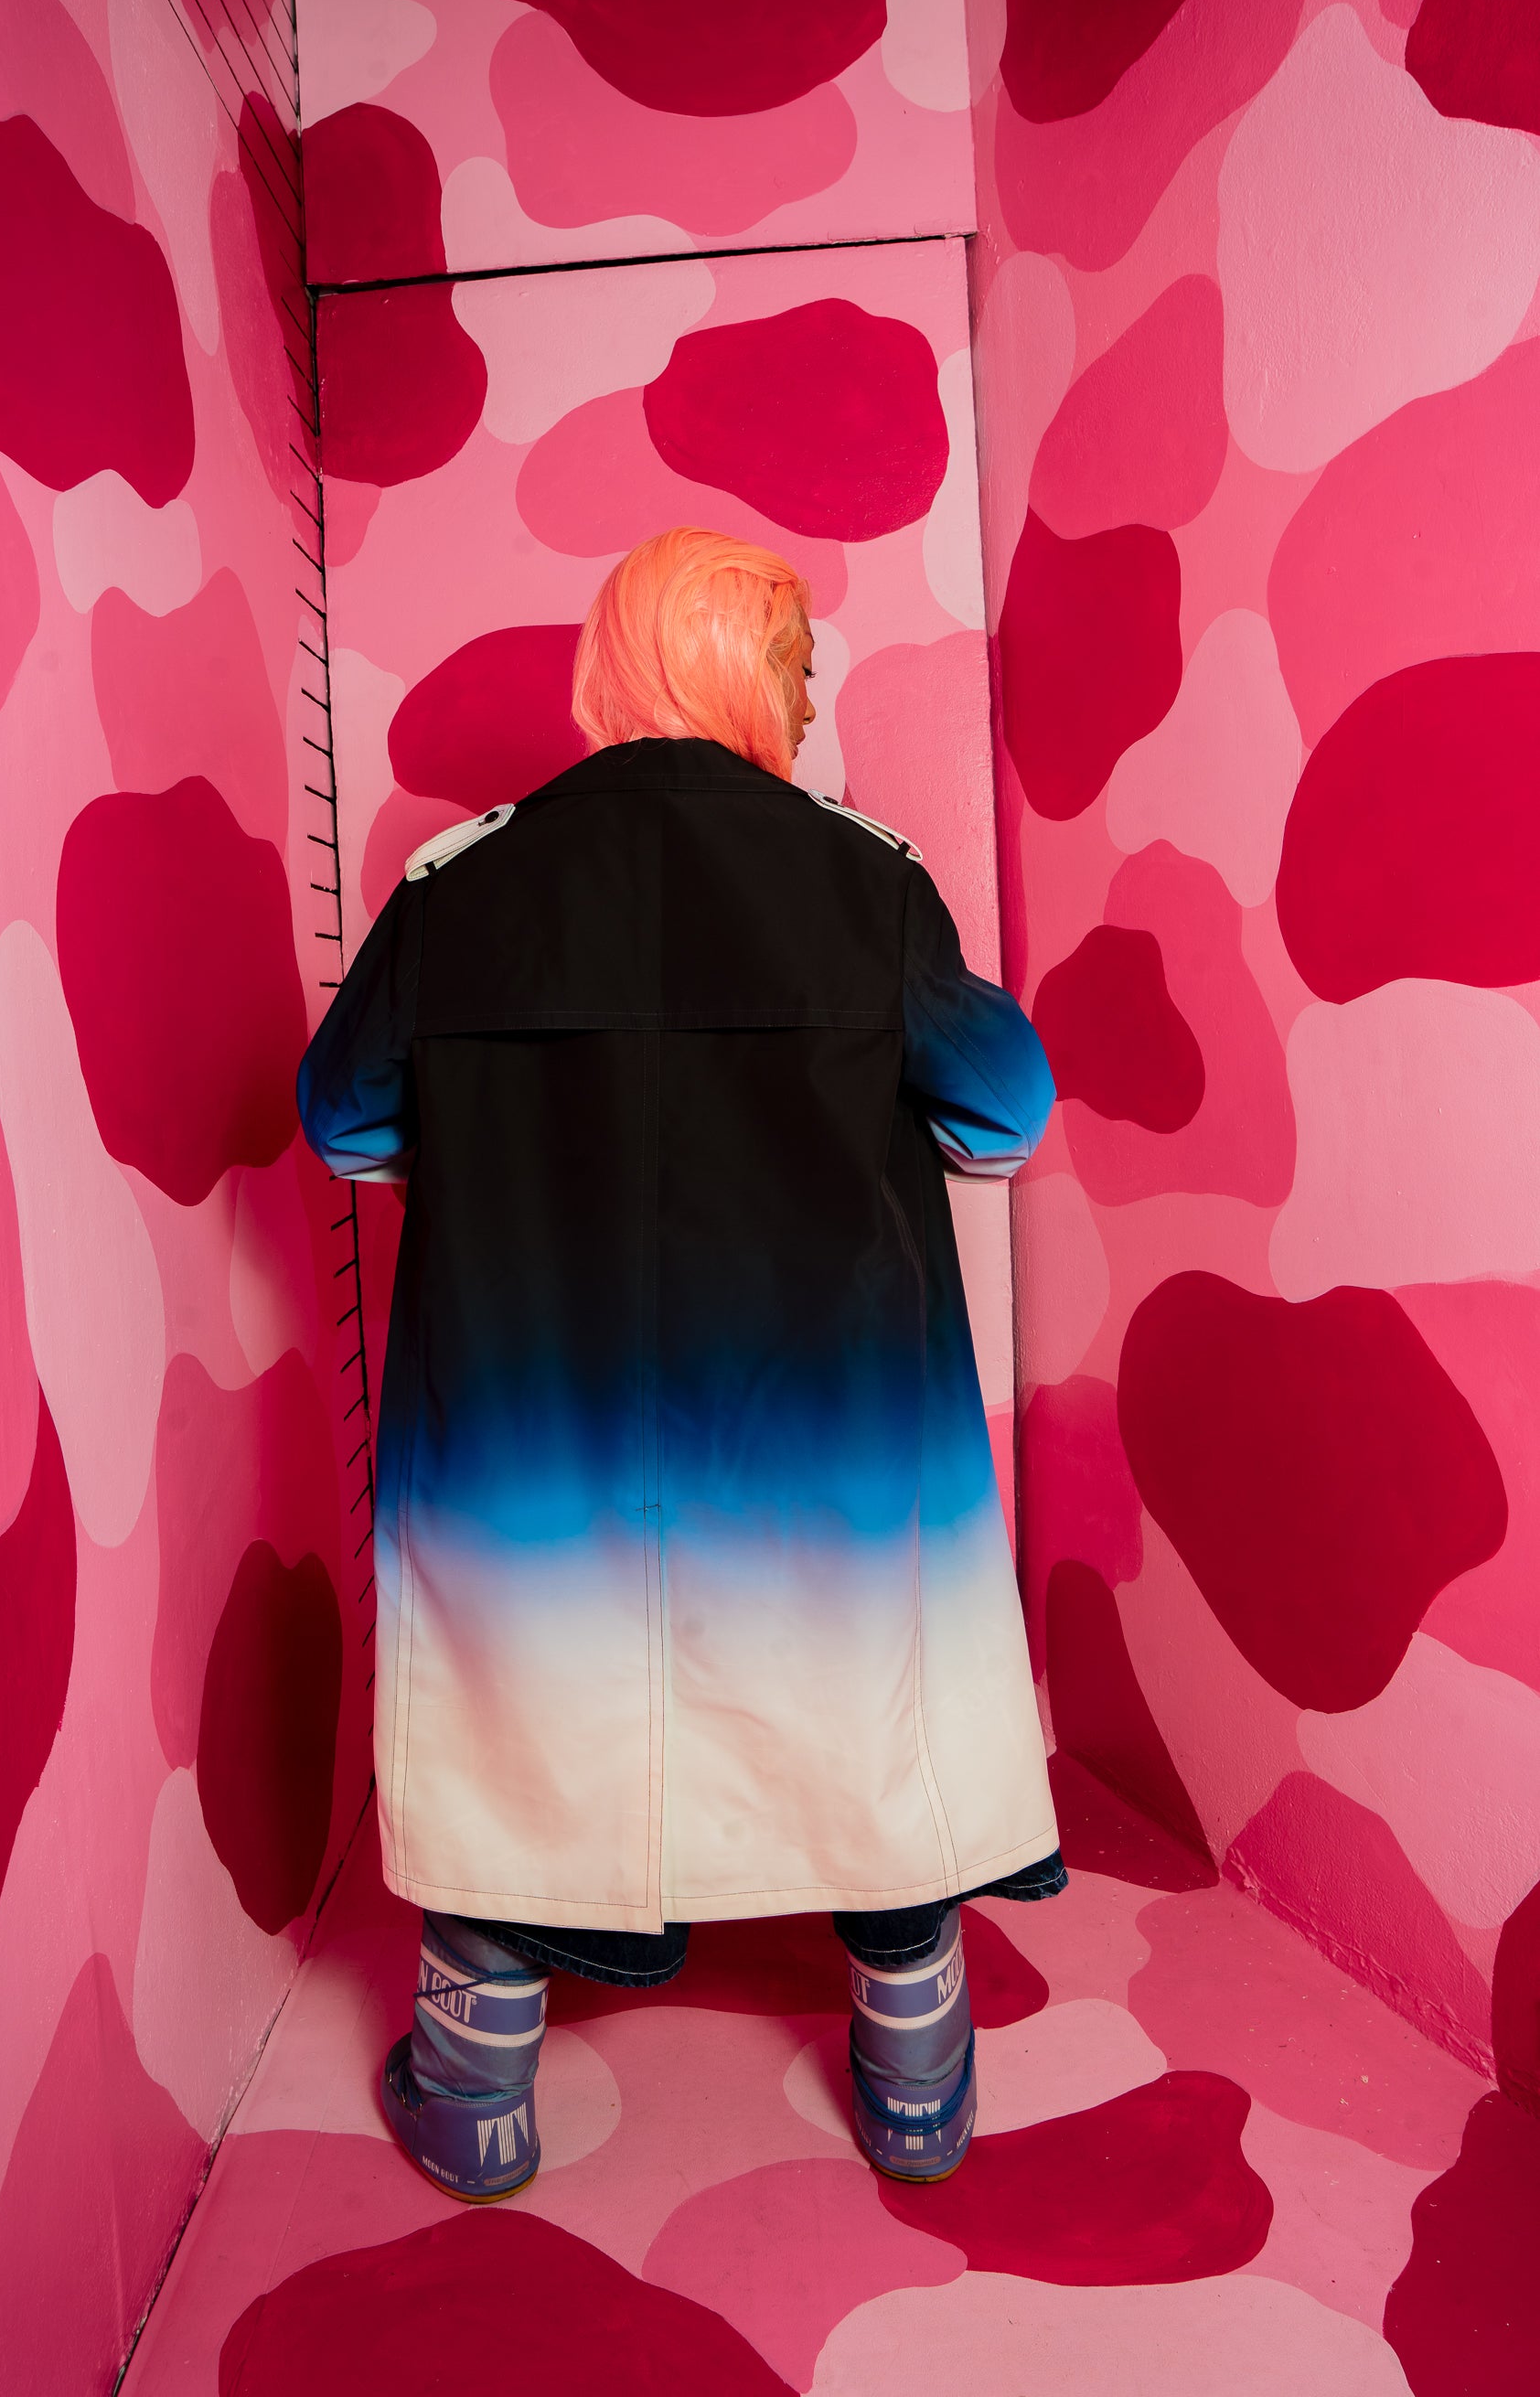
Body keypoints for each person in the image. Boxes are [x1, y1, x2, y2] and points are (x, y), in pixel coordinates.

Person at [297, 527, 1062, 2203]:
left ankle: (475, 2094)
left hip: (526, 1405)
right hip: (826, 1414)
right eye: (798, 666)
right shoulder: (870, 881)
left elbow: (342, 1123)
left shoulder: (455, 884)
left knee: (517, 1697)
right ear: (732, 670)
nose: (811, 701)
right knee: (864, 1696)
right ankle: (917, 2085)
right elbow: (1005, 1115)